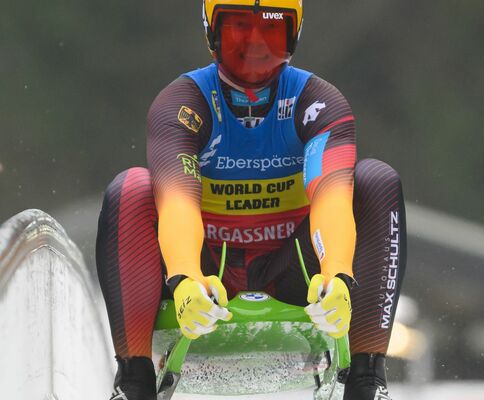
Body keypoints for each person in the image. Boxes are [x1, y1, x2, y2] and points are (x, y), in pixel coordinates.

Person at [96, 1, 406, 399]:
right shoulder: (182, 104)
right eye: (239, 30)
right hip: (209, 271)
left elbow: (331, 195)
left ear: (294, 35)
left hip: (294, 269)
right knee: (133, 187)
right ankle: (133, 383)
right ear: (212, 35)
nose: (256, 45)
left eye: (272, 32)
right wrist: (186, 277)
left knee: (375, 179)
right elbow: (177, 202)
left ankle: (367, 380)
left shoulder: (319, 102)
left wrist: (338, 274)